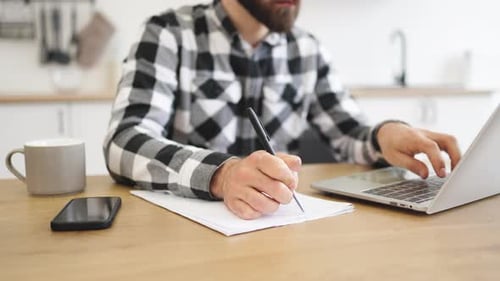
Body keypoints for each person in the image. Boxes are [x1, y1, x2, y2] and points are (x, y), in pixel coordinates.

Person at [104, 0, 461, 220]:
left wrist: (384, 134)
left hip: (278, 229)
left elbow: (350, 132)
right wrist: (223, 175)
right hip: (182, 235)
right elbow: (124, 140)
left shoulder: (307, 49)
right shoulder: (167, 34)